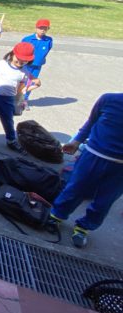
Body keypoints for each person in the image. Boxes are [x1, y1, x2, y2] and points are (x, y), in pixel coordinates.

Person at [48, 93, 123, 248]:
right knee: (75, 189)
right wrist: (76, 141)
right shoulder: (109, 99)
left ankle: (83, 227)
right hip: (93, 156)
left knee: (104, 202)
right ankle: (56, 216)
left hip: (120, 169)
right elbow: (91, 122)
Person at [0, 42, 40, 154]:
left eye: (24, 60)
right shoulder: (1, 64)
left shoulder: (24, 72)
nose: (21, 62)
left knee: (8, 121)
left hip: (7, 99)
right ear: (13, 54)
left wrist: (24, 92)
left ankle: (11, 140)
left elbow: (26, 86)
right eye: (18, 58)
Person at [21, 19, 53, 105]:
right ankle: (15, 98)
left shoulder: (49, 40)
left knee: (31, 82)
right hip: (26, 64)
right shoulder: (27, 39)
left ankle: (24, 100)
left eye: (45, 28)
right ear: (36, 28)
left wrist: (41, 59)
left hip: (37, 66)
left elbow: (47, 50)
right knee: (22, 81)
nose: (42, 30)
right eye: (40, 28)